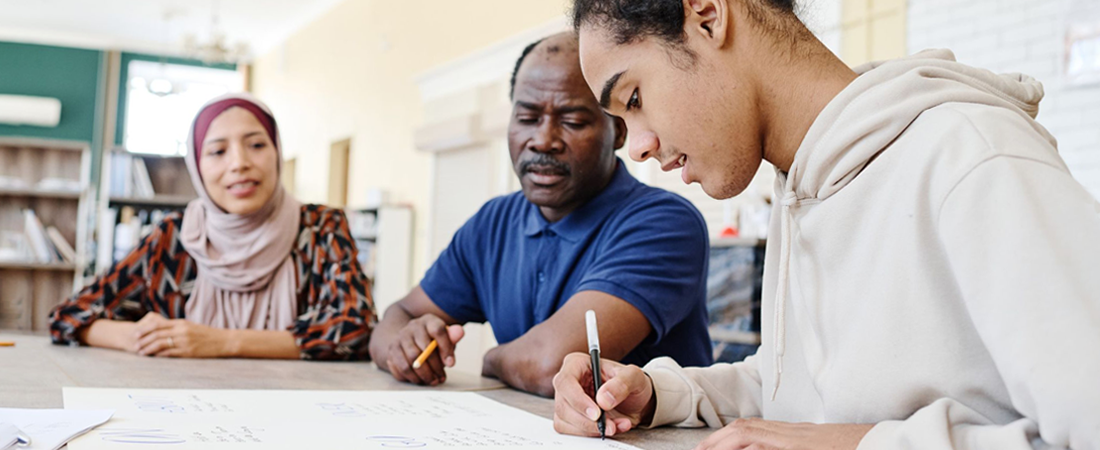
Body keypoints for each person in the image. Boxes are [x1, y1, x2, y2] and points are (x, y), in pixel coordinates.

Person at [552, 0, 1100, 448]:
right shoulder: (803, 186)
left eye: (636, 98)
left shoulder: (970, 155)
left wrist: (856, 445)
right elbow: (796, 393)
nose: (639, 146)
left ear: (708, 16)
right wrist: (652, 392)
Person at [368, 32, 713, 397]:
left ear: (618, 131)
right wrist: (404, 346)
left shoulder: (664, 223)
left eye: (574, 121)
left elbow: (553, 363)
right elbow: (396, 318)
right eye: (528, 118)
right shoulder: (493, 223)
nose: (543, 140)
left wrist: (491, 360)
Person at [49, 93, 375, 361]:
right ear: (197, 165)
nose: (239, 163)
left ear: (277, 153)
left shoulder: (321, 228)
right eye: (218, 151)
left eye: (257, 145)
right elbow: (69, 315)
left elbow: (356, 329)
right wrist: (136, 337)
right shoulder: (173, 237)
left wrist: (223, 342)